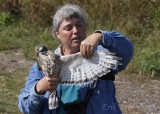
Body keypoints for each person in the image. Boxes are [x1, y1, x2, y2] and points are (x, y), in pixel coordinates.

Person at [18, 4, 134, 114]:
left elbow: (127, 50)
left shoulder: (101, 55)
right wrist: (38, 89)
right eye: (68, 28)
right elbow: (25, 107)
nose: (76, 31)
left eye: (79, 25)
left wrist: (100, 35)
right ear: (57, 33)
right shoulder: (44, 65)